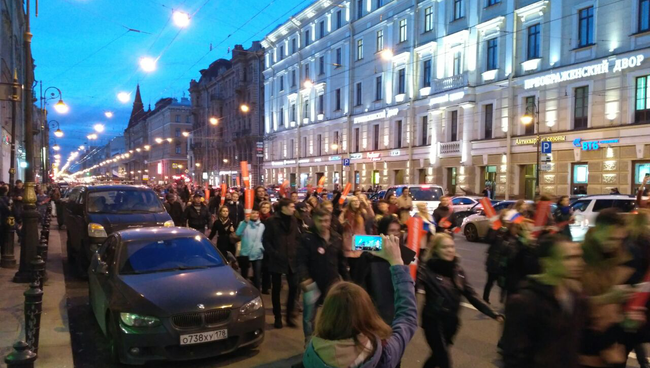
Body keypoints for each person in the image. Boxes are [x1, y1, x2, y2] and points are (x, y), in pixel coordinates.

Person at [302, 234, 418, 368]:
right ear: (366, 314)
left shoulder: (312, 353)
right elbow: (407, 318)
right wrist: (397, 262)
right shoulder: (384, 354)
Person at [501, 234, 587, 368]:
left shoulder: (575, 297)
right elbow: (514, 357)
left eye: (579, 257)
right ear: (547, 262)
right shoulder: (524, 302)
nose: (579, 263)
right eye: (569, 258)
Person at [419, 233, 503, 368]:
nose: (450, 250)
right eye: (445, 247)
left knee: (436, 357)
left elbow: (472, 295)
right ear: (435, 250)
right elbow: (411, 285)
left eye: (452, 246)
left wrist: (494, 313)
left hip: (451, 323)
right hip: (433, 322)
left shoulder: (457, 270)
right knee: (444, 361)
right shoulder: (426, 270)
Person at [580, 209, 635, 368]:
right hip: (583, 349)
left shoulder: (621, 258)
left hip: (610, 347)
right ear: (596, 230)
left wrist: (628, 316)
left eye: (619, 239)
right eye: (610, 238)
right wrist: (607, 299)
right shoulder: (579, 259)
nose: (614, 244)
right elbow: (568, 305)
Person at [297, 207, 350, 344]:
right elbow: (300, 260)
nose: (324, 224)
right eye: (320, 221)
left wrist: (348, 281)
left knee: (333, 314)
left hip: (332, 282)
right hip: (312, 282)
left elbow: (341, 263)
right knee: (309, 316)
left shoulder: (337, 238)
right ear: (314, 220)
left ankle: (329, 341)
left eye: (326, 220)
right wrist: (304, 278)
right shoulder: (307, 238)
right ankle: (309, 342)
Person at [263, 198, 300, 328]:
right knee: (276, 289)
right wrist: (274, 253)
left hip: (292, 259)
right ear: (284, 208)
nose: (293, 209)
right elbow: (266, 241)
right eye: (291, 206)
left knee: (294, 287)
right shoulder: (272, 221)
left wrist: (296, 250)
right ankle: (277, 317)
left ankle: (289, 315)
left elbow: (296, 237)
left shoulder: (294, 220)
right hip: (277, 260)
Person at [339, 195, 373, 280]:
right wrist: (343, 224)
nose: (356, 202)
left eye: (357, 201)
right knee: (352, 269)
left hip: (361, 242)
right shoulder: (345, 212)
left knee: (362, 269)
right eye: (354, 201)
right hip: (349, 244)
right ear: (350, 203)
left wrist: (366, 203)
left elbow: (371, 216)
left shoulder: (362, 212)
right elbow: (339, 224)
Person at [235, 209, 265, 290]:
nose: (255, 215)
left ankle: (257, 292)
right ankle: (244, 290)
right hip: (245, 253)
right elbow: (237, 233)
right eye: (253, 213)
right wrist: (245, 222)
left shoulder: (262, 226)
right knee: (244, 274)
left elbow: (263, 238)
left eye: (257, 213)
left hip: (258, 253)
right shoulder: (243, 223)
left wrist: (261, 247)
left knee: (257, 275)